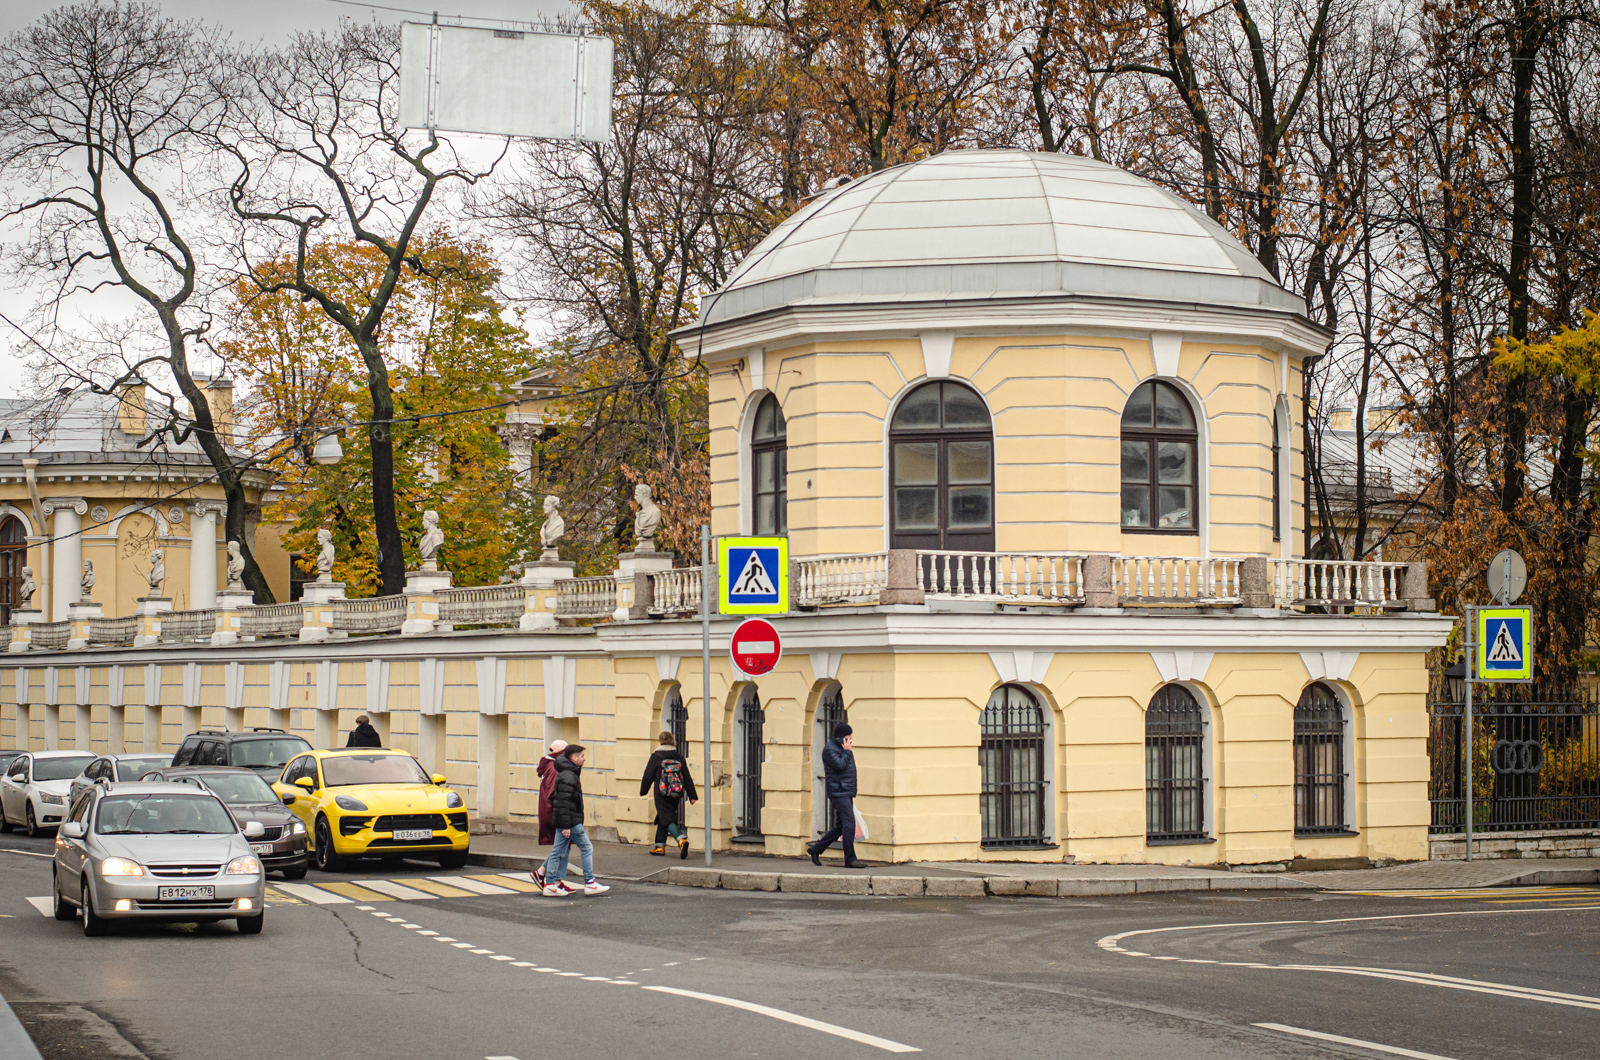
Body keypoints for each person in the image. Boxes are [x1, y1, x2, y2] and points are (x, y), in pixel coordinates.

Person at [541, 745, 608, 897]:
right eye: (582, 756)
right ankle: (590, 882)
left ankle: (550, 883)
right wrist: (566, 825)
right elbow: (563, 802)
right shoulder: (569, 775)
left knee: (558, 851)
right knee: (586, 848)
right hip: (571, 820)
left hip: (567, 819)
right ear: (574, 758)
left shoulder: (568, 773)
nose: (584, 758)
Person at [806, 723, 864, 867]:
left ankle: (816, 849)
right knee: (849, 824)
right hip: (839, 792)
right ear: (842, 738)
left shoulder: (840, 748)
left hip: (845, 790)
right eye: (848, 737)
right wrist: (848, 751)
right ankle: (850, 859)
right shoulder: (830, 750)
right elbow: (839, 766)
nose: (850, 739)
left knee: (839, 827)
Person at [640, 731, 698, 859]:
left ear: (660, 741)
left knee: (666, 817)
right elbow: (687, 777)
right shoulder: (678, 756)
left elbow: (648, 774)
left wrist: (643, 790)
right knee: (664, 815)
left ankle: (681, 839)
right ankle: (660, 846)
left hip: (661, 793)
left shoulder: (657, 756)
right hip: (676, 793)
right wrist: (692, 795)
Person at [531, 739, 567, 889]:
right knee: (562, 847)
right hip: (557, 814)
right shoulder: (555, 770)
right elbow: (556, 795)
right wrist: (564, 819)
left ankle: (549, 877)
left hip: (553, 813)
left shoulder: (550, 767)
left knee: (563, 847)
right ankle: (552, 879)